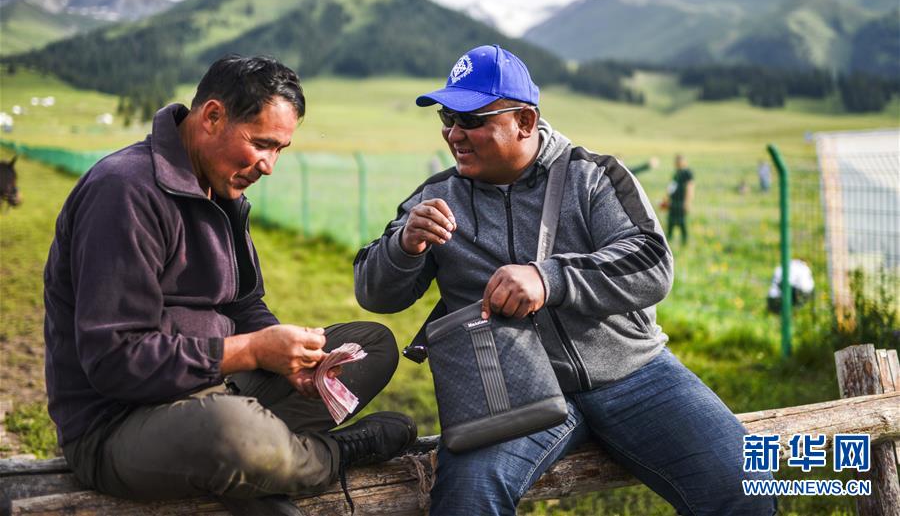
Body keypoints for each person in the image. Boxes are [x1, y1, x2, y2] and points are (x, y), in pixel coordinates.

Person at [354, 45, 774, 516]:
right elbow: (374, 294)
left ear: (526, 122)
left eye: (471, 120)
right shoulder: (433, 198)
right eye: (447, 118)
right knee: (466, 500)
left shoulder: (594, 176)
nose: (454, 134)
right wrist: (403, 248)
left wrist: (548, 278)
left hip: (634, 375)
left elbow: (651, 262)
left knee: (746, 483)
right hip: (510, 394)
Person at [43, 55, 416, 511]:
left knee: (370, 346)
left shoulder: (223, 187)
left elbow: (244, 304)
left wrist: (294, 362)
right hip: (120, 423)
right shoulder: (123, 193)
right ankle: (330, 454)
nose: (269, 166)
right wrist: (252, 351)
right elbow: (115, 359)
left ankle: (263, 453)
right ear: (213, 116)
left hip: (221, 388)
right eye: (262, 144)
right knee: (228, 431)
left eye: (281, 149)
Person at [666, 153, 694, 245]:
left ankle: (684, 243)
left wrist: (687, 202)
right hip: (673, 202)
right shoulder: (676, 173)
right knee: (670, 223)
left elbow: (690, 188)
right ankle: (668, 243)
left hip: (681, 202)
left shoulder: (687, 173)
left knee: (682, 223)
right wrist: (667, 200)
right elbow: (671, 188)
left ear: (684, 162)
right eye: (676, 161)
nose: (677, 163)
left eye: (679, 161)